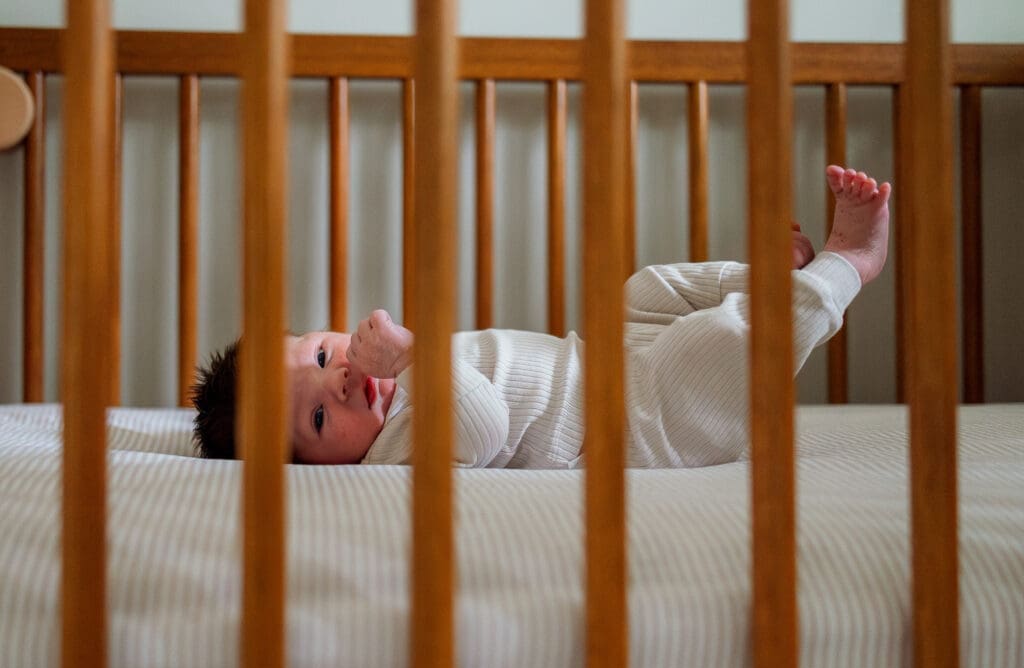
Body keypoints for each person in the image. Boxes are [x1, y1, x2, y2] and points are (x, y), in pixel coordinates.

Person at [192, 165, 891, 468]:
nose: (342, 382)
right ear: (318, 467)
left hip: (600, 358)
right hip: (634, 431)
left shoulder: (396, 386)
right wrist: (413, 357)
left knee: (645, 289)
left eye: (321, 358)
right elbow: (486, 424)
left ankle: (765, 282)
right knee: (714, 346)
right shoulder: (396, 452)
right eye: (318, 419)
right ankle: (843, 266)